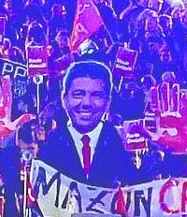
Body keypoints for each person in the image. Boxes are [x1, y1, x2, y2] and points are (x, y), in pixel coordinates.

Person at [35, 60, 137, 188]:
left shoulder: (124, 144)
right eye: (78, 94)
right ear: (64, 99)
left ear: (107, 102)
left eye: (96, 96)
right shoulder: (48, 145)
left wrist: (169, 151)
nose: (87, 103)